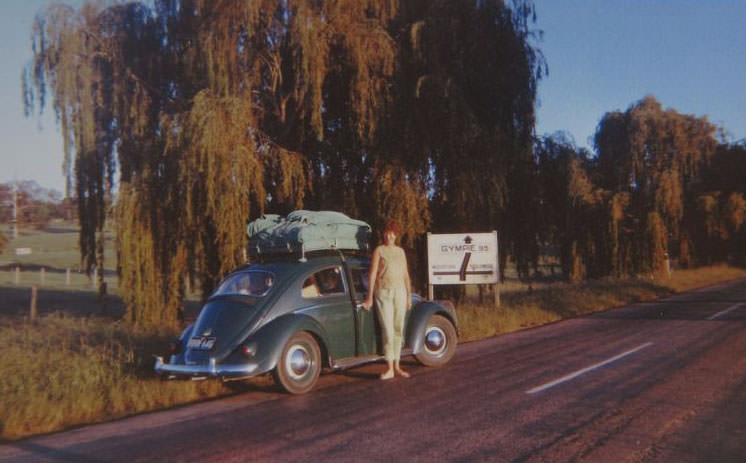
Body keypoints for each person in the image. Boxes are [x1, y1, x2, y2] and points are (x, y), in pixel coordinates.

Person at [362, 220, 412, 380]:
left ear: (396, 235)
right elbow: (372, 274)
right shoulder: (379, 250)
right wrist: (369, 297)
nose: (389, 236)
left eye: (392, 233)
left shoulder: (400, 252)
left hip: (400, 293)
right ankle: (389, 367)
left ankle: (397, 366)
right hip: (383, 293)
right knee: (388, 331)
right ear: (383, 234)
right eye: (386, 232)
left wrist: (409, 296)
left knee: (398, 329)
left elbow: (406, 275)